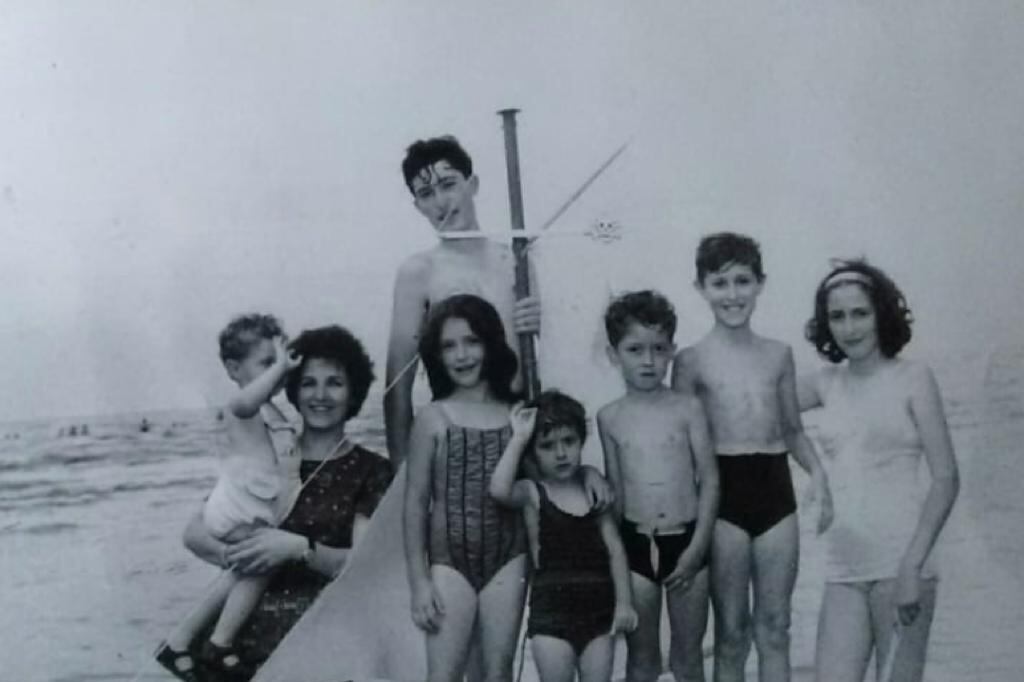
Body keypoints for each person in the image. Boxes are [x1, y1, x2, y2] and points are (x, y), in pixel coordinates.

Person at [163, 325, 393, 682]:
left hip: (324, 645)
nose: (320, 395)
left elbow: (363, 570)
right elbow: (195, 532)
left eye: (334, 382)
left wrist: (298, 548)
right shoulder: (269, 454)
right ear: (291, 389)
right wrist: (242, 558)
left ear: (354, 391)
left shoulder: (371, 471)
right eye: (307, 383)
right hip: (238, 651)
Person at [673, 233, 833, 682]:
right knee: (731, 632)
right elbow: (681, 446)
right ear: (700, 288)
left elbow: (793, 431)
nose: (733, 294)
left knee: (776, 627)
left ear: (761, 284)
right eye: (720, 283)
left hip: (775, 487)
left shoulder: (778, 355)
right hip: (722, 495)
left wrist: (819, 476)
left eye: (743, 281)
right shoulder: (690, 362)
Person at [800, 260, 959, 682]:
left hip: (902, 562)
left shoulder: (913, 378)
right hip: (843, 568)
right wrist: (813, 470)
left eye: (860, 313)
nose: (849, 328)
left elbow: (946, 479)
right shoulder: (824, 383)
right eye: (837, 316)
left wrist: (912, 566)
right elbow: (759, 409)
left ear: (882, 314)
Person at [156, 313, 303, 679]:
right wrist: (281, 366)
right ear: (234, 369)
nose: (279, 372)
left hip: (253, 503)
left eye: (280, 362)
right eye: (267, 363)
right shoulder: (240, 406)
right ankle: (219, 644)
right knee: (261, 564)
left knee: (242, 569)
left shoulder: (271, 409)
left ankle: (178, 641)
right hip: (239, 507)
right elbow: (245, 405)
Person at [384, 135, 541, 467]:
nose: (441, 201)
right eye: (427, 193)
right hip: (455, 435)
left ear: (473, 185)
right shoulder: (418, 272)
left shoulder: (516, 260)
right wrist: (402, 472)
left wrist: (537, 326)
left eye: (449, 184)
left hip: (520, 431)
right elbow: (397, 385)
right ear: (418, 205)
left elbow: (539, 359)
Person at [404, 293, 533, 682]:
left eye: (472, 341)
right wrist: (419, 583)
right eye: (449, 345)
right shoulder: (433, 417)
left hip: (509, 559)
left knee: (498, 674)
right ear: (436, 355)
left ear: (491, 343)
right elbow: (415, 503)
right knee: (442, 675)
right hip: (448, 562)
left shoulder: (517, 413)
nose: (462, 355)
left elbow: (545, 481)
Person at [597, 290, 719, 682]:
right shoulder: (609, 417)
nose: (648, 361)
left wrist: (698, 548)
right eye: (635, 349)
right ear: (613, 354)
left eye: (658, 349)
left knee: (688, 659)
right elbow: (615, 494)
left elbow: (711, 480)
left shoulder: (688, 409)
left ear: (672, 351)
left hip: (686, 543)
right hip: (635, 546)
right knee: (642, 660)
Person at [490, 390, 638, 682]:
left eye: (568, 442)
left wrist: (624, 602)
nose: (560, 453)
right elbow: (499, 490)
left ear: (581, 440)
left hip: (600, 612)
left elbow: (615, 551)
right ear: (533, 453)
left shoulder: (594, 490)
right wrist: (519, 438)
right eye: (547, 445)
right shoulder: (533, 493)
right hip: (551, 616)